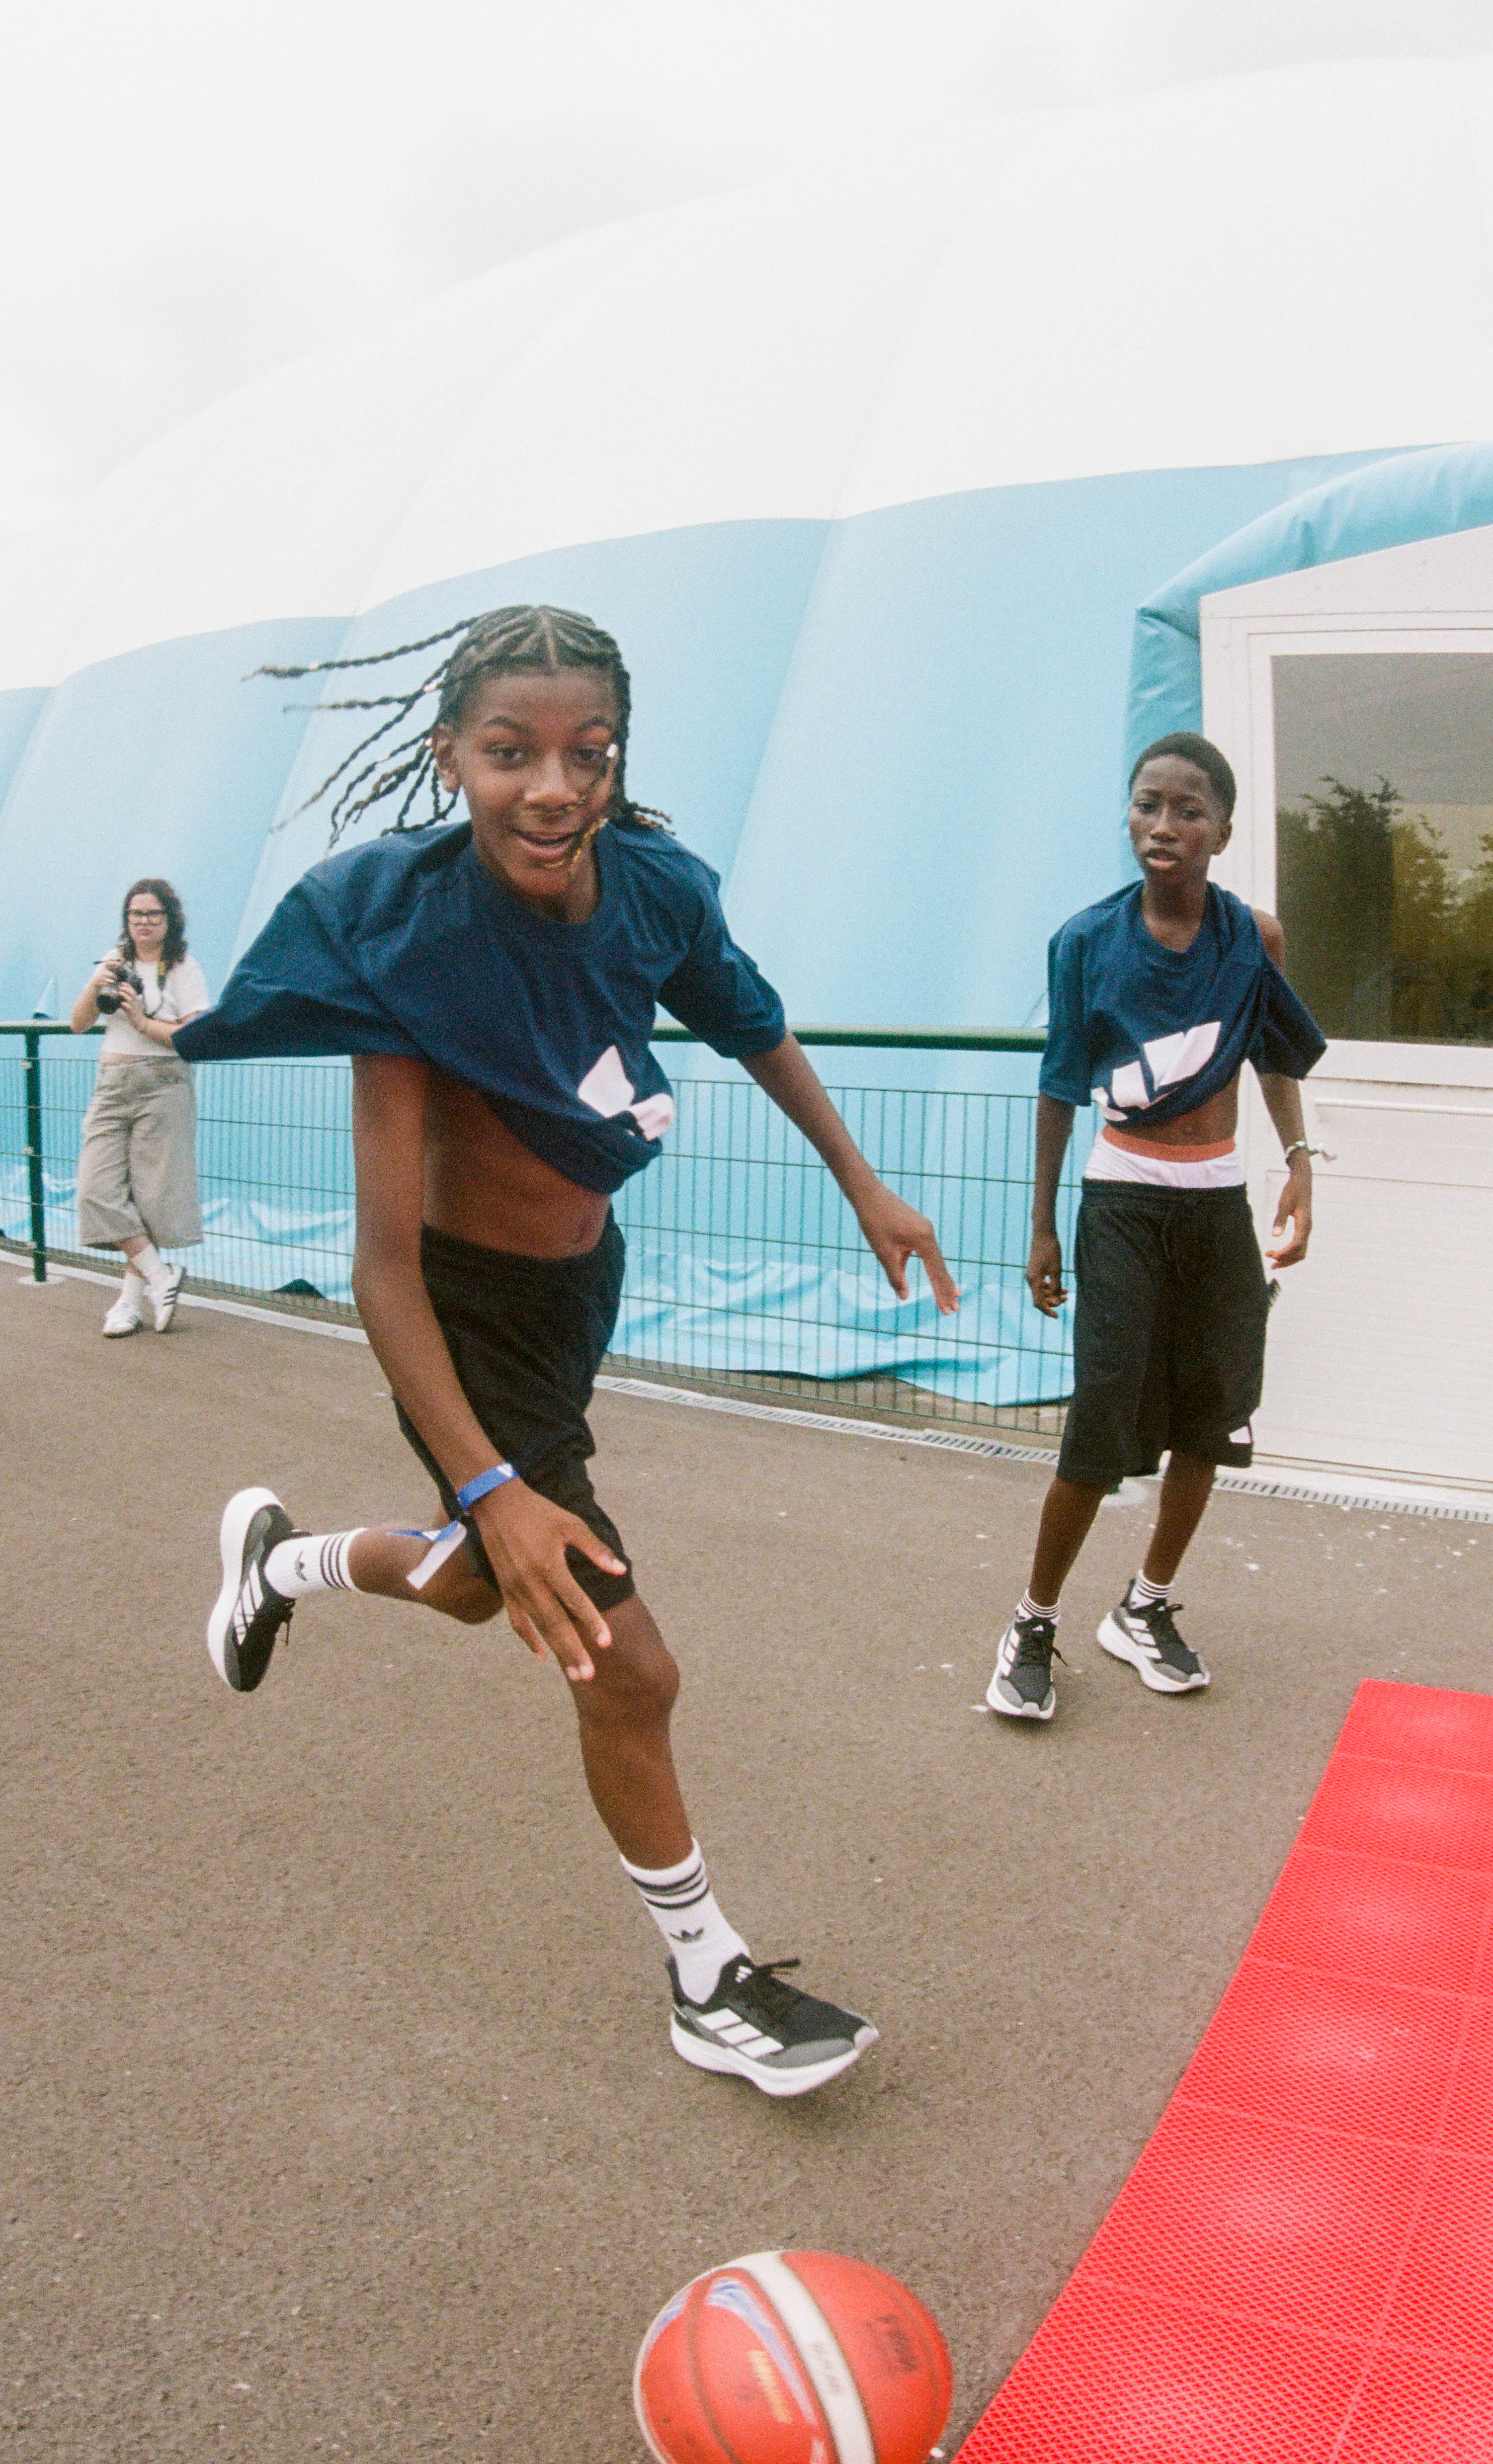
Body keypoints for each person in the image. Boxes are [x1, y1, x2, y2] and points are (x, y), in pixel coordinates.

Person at [175, 604, 960, 2097]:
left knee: (488, 1583)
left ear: (617, 758)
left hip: (577, 1291)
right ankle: (707, 1976)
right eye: (509, 752)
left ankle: (282, 1564)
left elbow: (754, 1028)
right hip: (460, 1317)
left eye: (586, 752)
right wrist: (489, 1477)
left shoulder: (654, 891)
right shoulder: (404, 940)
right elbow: (382, 1268)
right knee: (626, 1663)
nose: (551, 786)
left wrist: (865, 1183)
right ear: (448, 755)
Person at [986, 732, 1326, 1722]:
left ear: (1221, 829)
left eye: (1186, 809)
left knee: (1210, 1421)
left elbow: (1273, 1056)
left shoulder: (1251, 938)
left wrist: (1299, 1163)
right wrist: (1042, 1226)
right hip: (1122, 1203)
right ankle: (1031, 1621)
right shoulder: (1083, 941)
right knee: (1101, 1422)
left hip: (1215, 1205)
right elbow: (1058, 1086)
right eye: (1146, 804)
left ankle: (1144, 1604)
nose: (1162, 825)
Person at [67, 878, 209, 1335]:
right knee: (95, 1189)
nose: (144, 922)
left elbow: (193, 1037)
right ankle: (160, 1276)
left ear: (170, 919)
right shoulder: (116, 963)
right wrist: (99, 981)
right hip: (113, 1083)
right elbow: (77, 1024)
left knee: (150, 1197)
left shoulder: (183, 967)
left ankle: (128, 1304)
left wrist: (141, 1020)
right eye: (136, 914)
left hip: (164, 1083)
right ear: (126, 920)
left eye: (153, 914)